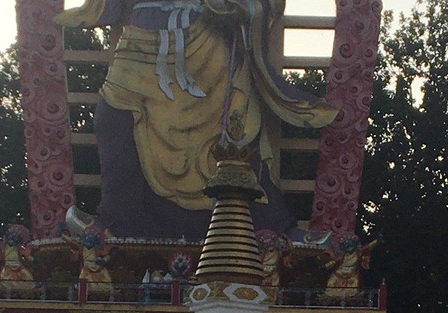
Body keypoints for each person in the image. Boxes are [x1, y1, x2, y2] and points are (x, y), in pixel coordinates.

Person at [55, 0, 338, 241]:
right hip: (143, 36)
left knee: (236, 124)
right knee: (114, 116)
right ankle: (116, 222)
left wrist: (240, 7)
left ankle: (268, 227)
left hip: (209, 38)